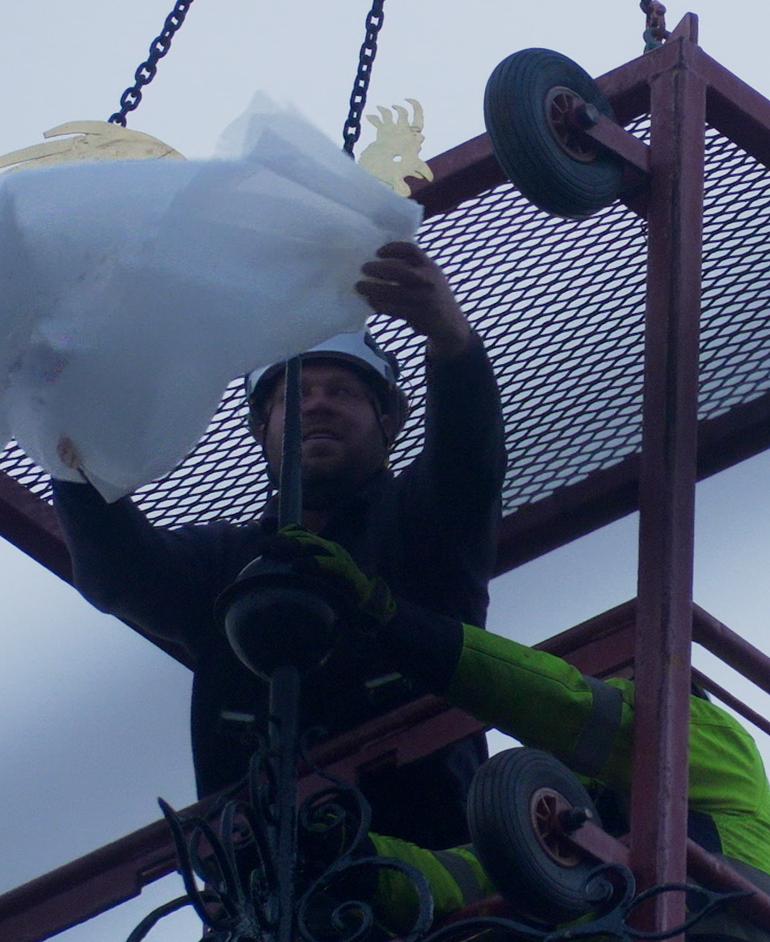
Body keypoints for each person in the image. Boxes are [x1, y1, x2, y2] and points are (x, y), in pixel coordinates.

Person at [274, 528, 770, 942]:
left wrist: (395, 623)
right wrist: (354, 856)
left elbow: (563, 705)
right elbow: (459, 884)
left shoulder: (706, 737)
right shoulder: (571, 833)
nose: (614, 691)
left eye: (624, 681)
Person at [50, 241, 506, 852]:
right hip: (266, 887)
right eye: (297, 394)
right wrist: (72, 452)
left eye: (342, 392)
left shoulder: (422, 528)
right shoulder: (223, 568)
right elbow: (118, 573)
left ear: (390, 423)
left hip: (435, 865)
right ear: (260, 429)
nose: (317, 402)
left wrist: (452, 342)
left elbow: (467, 462)